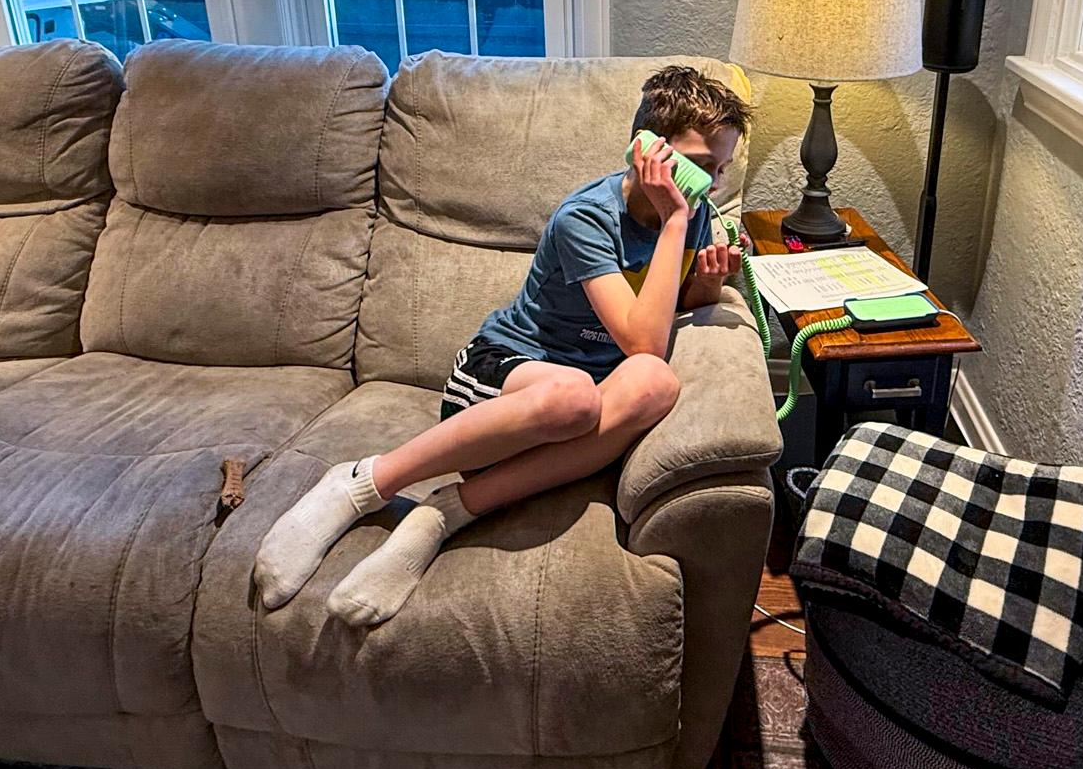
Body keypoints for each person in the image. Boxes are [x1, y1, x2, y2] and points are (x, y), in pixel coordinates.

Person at [252, 65, 751, 626]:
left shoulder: (691, 214)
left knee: (655, 383)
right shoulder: (588, 218)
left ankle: (446, 513)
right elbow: (644, 340)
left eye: (720, 169)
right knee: (574, 397)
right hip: (504, 377)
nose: (711, 185)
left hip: (585, 401)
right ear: (646, 151)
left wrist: (708, 283)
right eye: (701, 166)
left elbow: (660, 325)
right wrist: (675, 221)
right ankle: (364, 483)